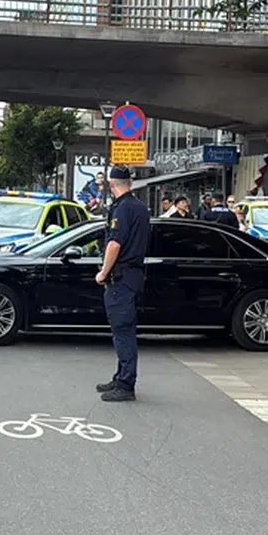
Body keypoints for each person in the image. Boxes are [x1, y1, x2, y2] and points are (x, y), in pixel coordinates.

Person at [94, 165, 150, 403]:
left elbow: (114, 244)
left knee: (122, 332)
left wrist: (103, 273)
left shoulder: (122, 209)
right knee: (123, 330)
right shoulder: (139, 207)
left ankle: (126, 384)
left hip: (121, 278)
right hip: (134, 275)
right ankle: (120, 377)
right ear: (130, 182)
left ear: (112, 184)